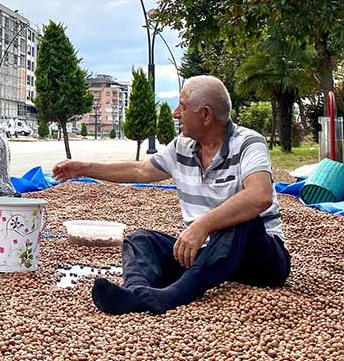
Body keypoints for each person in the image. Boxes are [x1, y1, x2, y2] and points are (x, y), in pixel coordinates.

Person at [52, 75, 290, 315]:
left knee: (243, 221)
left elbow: (260, 196)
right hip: (204, 257)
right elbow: (139, 170)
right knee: (140, 240)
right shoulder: (181, 147)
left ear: (205, 115)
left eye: (183, 107)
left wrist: (202, 226)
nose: (176, 113)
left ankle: (175, 294)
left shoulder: (249, 143)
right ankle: (136, 294)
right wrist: (84, 168)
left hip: (259, 261)